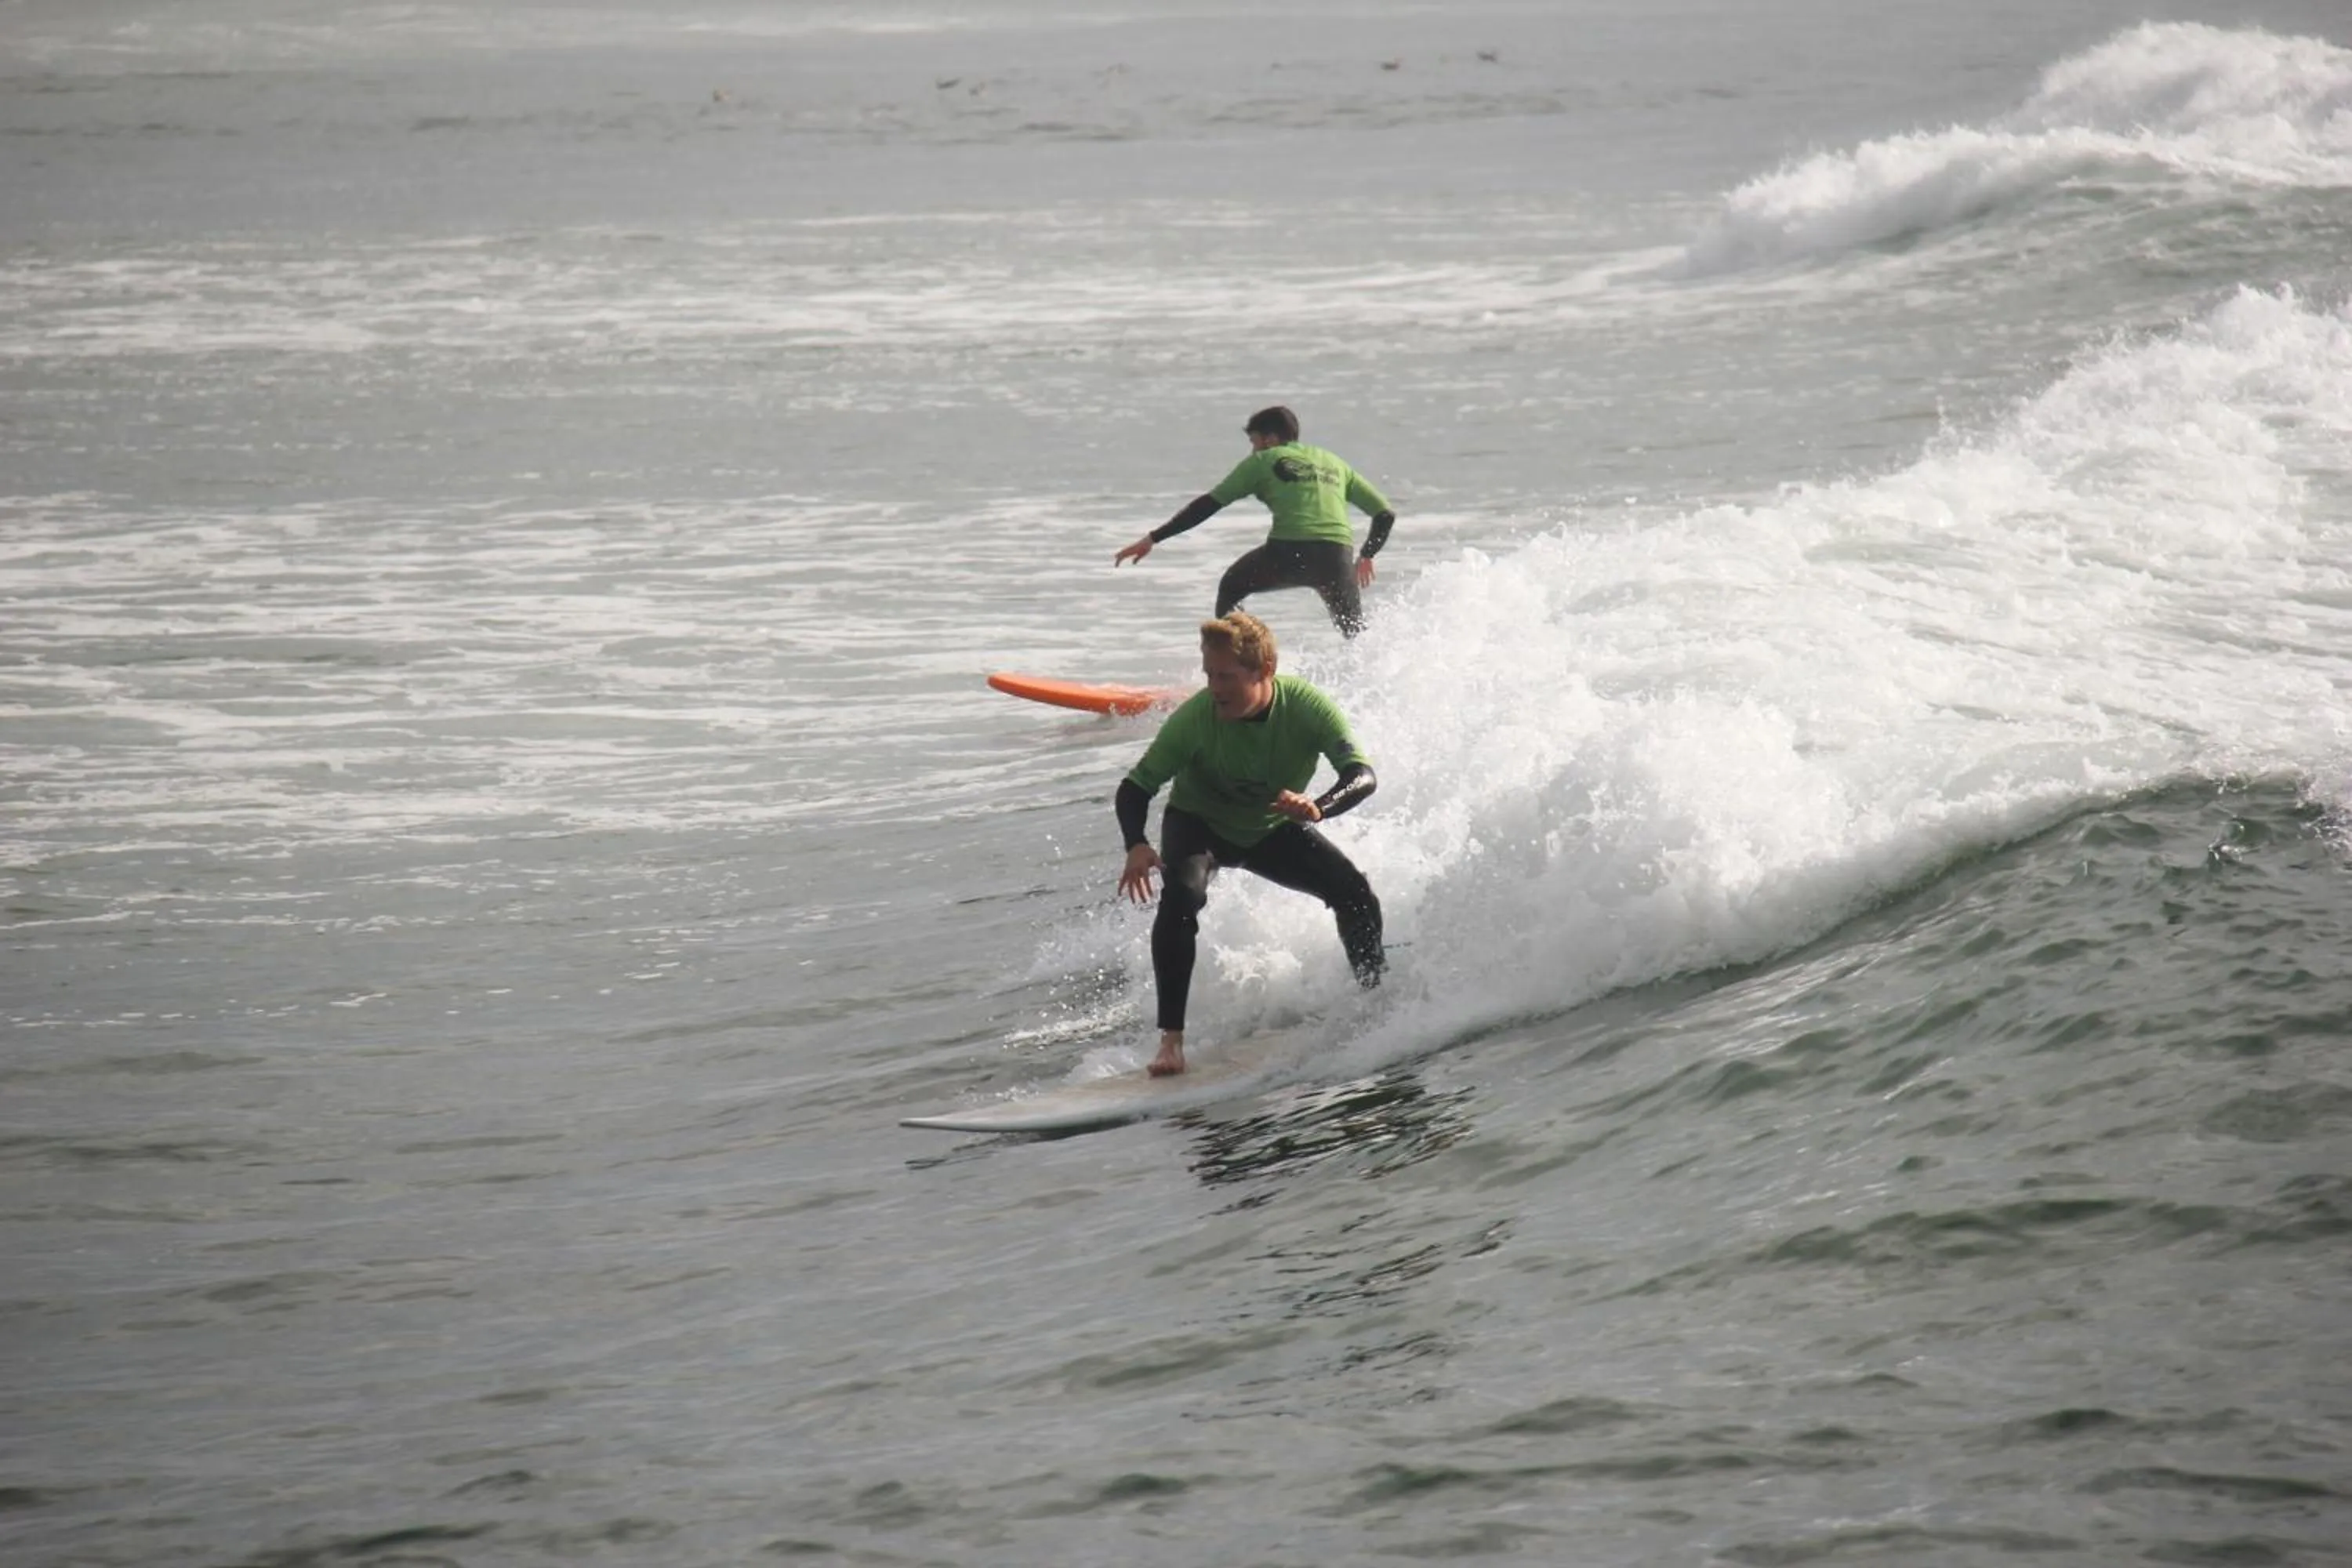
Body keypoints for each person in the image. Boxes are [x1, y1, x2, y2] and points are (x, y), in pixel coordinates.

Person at [1114, 612, 1383, 1076]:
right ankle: (1171, 1044)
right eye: (1209, 675)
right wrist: (1135, 843)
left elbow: (1361, 776)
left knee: (1355, 894)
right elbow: (1136, 787)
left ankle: (1375, 1001)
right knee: (1183, 897)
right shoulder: (1196, 719)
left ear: (1265, 672)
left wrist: (1319, 806)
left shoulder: (1306, 709)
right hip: (1198, 824)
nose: (1216, 688)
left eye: (1227, 677)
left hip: (1268, 828)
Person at [1113, 405, 1396, 637]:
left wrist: (1153, 538)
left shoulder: (1263, 461)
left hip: (1289, 552)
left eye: (1254, 442)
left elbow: (1208, 505)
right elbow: (1385, 514)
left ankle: (1246, 672)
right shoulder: (1334, 462)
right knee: (1356, 634)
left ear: (1270, 439)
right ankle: (1377, 687)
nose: (1252, 451)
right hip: (1336, 558)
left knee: (1231, 589)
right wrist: (1367, 554)